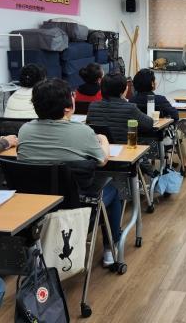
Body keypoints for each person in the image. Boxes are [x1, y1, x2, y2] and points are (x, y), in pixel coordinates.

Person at [17, 78, 121, 267]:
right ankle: (110, 251)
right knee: (112, 190)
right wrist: (104, 139)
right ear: (67, 107)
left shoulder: (25, 130)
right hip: (74, 208)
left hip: (34, 208)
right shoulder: (83, 132)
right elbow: (103, 160)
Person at [129, 68, 186, 169]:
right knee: (179, 133)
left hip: (137, 137)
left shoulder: (131, 100)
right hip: (159, 136)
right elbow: (175, 116)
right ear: (152, 84)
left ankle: (164, 160)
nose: (156, 82)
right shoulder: (159, 99)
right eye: (154, 80)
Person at [86, 72, 154, 144]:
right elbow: (149, 124)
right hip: (125, 148)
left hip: (101, 147)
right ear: (123, 90)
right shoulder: (130, 108)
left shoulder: (93, 106)